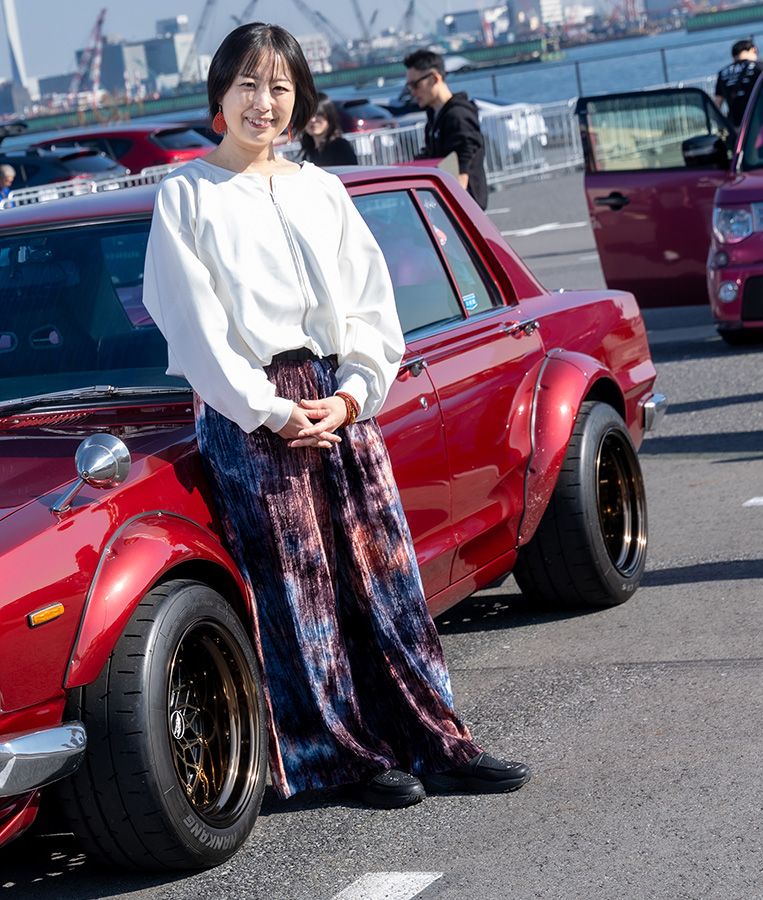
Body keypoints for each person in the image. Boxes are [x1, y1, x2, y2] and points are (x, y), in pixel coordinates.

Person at [143, 22, 530, 810]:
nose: (264, 102)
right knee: (297, 587)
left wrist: (354, 393)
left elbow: (370, 306)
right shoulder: (185, 194)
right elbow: (193, 326)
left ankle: (436, 740)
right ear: (219, 94)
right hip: (252, 408)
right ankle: (336, 759)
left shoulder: (320, 187)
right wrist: (272, 410)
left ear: (298, 102)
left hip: (341, 395)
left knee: (384, 574)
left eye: (280, 88)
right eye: (248, 85)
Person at [403, 48, 488, 209]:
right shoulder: (434, 115)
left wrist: (458, 189)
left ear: (435, 79)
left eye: (415, 85)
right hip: (447, 203)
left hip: (463, 207)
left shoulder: (458, 114)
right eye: (409, 87)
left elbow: (467, 150)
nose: (412, 92)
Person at [299, 92, 359, 167]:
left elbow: (351, 174)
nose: (313, 120)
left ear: (329, 116)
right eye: (308, 115)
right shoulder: (309, 150)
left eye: (319, 114)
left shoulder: (340, 146)